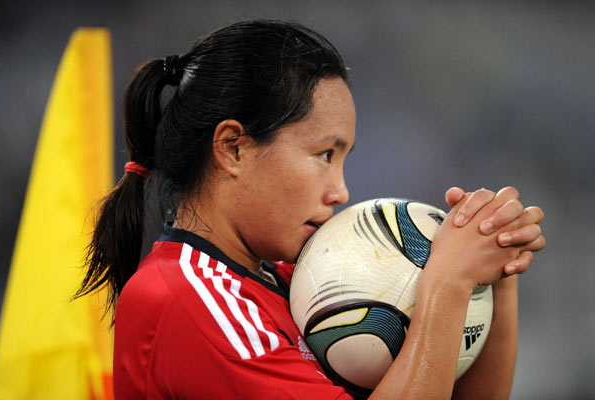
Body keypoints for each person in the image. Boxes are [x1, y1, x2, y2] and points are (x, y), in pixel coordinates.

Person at [77, 20, 545, 399]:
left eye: (343, 159)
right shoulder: (189, 300)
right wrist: (447, 283)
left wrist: (492, 274)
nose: (341, 191)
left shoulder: (290, 280)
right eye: (324, 154)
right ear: (233, 147)